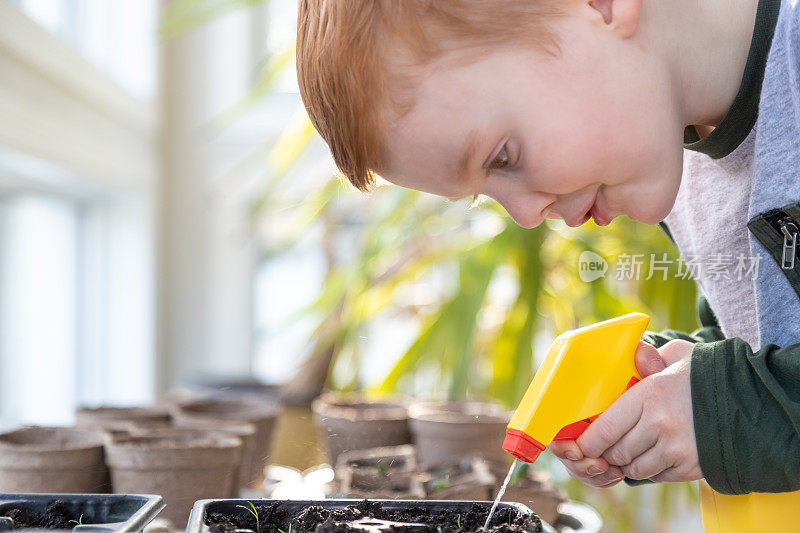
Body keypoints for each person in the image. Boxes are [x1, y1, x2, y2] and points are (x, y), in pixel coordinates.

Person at [295, 0, 800, 495]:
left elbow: (750, 394)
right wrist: (671, 388)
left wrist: (730, 406)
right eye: (481, 197)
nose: (524, 215)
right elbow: (761, 339)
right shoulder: (679, 163)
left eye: (502, 156)